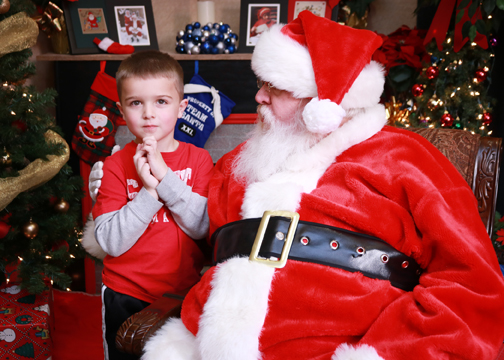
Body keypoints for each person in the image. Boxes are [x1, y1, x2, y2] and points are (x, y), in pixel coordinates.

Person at [90, 11, 504, 360]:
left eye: (276, 88)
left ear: (323, 104)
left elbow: (471, 284)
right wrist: (129, 189)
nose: (259, 98)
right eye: (261, 83)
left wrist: (382, 351)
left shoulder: (401, 157)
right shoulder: (239, 163)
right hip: (203, 343)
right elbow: (197, 232)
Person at [91, 50, 214, 360]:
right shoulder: (116, 165)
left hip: (183, 292)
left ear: (181, 107)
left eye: (161, 101)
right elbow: (111, 242)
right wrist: (148, 193)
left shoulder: (198, 160)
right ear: (121, 110)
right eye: (136, 103)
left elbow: (202, 225)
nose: (149, 113)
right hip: (125, 293)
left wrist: (164, 176)